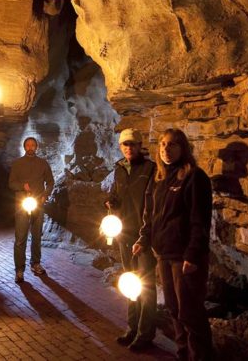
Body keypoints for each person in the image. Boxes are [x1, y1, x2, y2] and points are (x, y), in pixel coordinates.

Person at [133, 128, 214, 361]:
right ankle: (183, 353)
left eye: (172, 145)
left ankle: (201, 356)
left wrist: (193, 255)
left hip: (183, 257)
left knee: (190, 312)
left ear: (183, 148)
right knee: (174, 309)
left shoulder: (194, 177)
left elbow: (200, 220)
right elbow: (152, 215)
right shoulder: (158, 178)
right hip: (164, 254)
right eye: (163, 145)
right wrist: (144, 239)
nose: (167, 149)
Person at [105, 128, 158, 351]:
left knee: (145, 284)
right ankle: (132, 328)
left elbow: (154, 204)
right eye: (125, 145)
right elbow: (116, 195)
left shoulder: (150, 169)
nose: (129, 148)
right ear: (121, 147)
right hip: (124, 233)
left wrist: (146, 236)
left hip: (143, 235)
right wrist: (110, 201)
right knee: (131, 281)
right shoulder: (119, 169)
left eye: (133, 144)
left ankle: (146, 334)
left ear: (140, 146)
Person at [8, 136, 55, 283]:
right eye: (28, 145)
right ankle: (19, 270)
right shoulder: (17, 164)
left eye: (33, 145)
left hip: (38, 205)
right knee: (20, 238)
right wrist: (23, 186)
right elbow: (11, 183)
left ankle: (35, 263)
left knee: (36, 236)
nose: (30, 147)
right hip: (22, 205)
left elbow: (50, 182)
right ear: (24, 147)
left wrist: (45, 195)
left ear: (36, 147)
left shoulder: (42, 163)